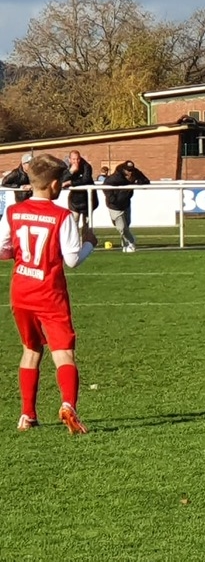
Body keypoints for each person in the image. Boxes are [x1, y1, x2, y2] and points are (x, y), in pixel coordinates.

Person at [0, 154, 96, 434]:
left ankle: (27, 414)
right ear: (55, 185)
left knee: (30, 350)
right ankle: (68, 405)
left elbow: (2, 249)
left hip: (21, 290)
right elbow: (72, 260)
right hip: (49, 293)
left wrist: (17, 253)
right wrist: (89, 244)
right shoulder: (62, 216)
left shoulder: (13, 212)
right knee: (63, 352)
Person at [101, 161, 150, 253]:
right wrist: (113, 199)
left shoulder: (135, 173)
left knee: (126, 226)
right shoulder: (115, 177)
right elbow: (105, 186)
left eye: (131, 170)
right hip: (114, 206)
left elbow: (146, 181)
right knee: (122, 228)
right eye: (128, 170)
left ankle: (125, 246)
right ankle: (132, 242)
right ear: (124, 170)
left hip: (126, 203)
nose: (130, 172)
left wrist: (137, 182)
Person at [62, 150, 96, 232]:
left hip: (87, 200)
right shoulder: (67, 168)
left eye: (78, 159)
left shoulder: (86, 166)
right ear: (69, 160)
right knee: (74, 224)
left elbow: (86, 179)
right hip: (74, 202)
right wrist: (71, 172)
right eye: (73, 159)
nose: (76, 161)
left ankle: (87, 240)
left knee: (87, 226)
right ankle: (75, 240)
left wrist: (71, 182)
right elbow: (62, 180)